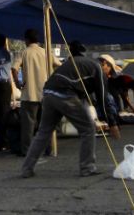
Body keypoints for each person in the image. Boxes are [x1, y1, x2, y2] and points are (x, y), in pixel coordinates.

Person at [21, 40, 120, 178]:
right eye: (110, 70)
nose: (109, 74)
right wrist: (112, 124)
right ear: (105, 64)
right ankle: (87, 168)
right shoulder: (97, 69)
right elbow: (103, 99)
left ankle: (27, 168)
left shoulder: (77, 63)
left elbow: (82, 94)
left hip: (48, 93)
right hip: (65, 94)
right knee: (88, 129)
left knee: (43, 132)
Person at [11, 29, 61, 156]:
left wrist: (17, 83)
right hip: (46, 94)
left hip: (29, 94)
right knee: (46, 124)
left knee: (28, 126)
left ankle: (26, 151)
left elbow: (14, 69)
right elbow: (59, 65)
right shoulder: (46, 52)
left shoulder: (24, 53)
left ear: (26, 40)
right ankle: (48, 149)